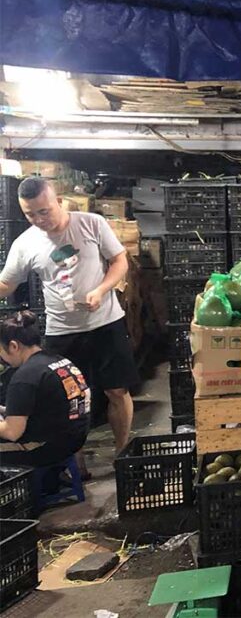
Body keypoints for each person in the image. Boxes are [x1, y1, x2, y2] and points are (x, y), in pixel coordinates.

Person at [0, 177, 137, 454]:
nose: (39, 220)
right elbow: (6, 284)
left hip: (106, 322)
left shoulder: (91, 224)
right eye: (30, 214)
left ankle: (122, 454)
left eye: (44, 211)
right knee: (68, 399)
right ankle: (76, 462)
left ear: (59, 202)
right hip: (62, 331)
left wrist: (101, 289)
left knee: (116, 391)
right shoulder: (25, 244)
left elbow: (119, 260)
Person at [0, 310, 91, 468]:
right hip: (75, 437)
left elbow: (12, 432)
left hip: (45, 447)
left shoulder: (24, 377)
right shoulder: (59, 361)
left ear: (13, 346)